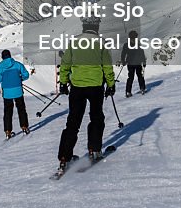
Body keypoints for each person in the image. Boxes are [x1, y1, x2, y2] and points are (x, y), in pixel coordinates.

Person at [57, 18, 115, 171]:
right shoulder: (101, 43)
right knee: (96, 117)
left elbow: (65, 65)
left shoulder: (74, 42)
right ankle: (94, 150)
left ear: (84, 27)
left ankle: (64, 158)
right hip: (96, 86)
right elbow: (107, 67)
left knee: (73, 122)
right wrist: (111, 84)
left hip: (77, 86)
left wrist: (63, 83)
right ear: (96, 27)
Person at [0, 49, 30, 138]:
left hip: (7, 93)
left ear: (2, 57)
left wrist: (3, 79)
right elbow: (26, 75)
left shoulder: (0, 67)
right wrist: (20, 78)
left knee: (8, 112)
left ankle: (8, 131)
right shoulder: (17, 64)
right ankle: (24, 127)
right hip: (18, 91)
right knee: (21, 109)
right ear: (10, 56)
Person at [119, 30, 147, 97]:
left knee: (131, 77)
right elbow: (141, 53)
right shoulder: (137, 43)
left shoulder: (126, 44)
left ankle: (128, 91)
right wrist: (143, 61)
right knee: (140, 76)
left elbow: (123, 54)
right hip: (137, 62)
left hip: (130, 63)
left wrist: (123, 61)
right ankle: (142, 88)